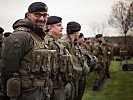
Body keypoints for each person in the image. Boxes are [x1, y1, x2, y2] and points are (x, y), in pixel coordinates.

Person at [1, 2, 51, 100]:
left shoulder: (38, 36)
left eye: (45, 15)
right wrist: (7, 91)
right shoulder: (21, 36)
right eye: (37, 15)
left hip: (40, 91)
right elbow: (7, 68)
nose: (42, 19)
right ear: (28, 15)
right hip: (25, 93)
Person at [59, 21, 89, 100]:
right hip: (68, 80)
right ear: (75, 32)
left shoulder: (72, 43)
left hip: (74, 77)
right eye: (78, 32)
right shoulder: (65, 43)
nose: (79, 34)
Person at [44, 16, 66, 100]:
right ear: (50, 27)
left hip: (58, 83)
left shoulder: (56, 42)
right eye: (59, 25)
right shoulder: (47, 43)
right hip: (51, 86)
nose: (62, 27)